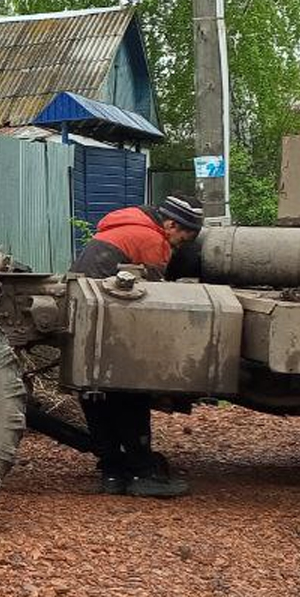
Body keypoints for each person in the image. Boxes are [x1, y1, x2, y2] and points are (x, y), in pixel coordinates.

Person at [69, 194, 205, 497]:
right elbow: (155, 299)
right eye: (184, 236)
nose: (181, 244)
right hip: (112, 321)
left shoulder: (122, 225)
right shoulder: (152, 239)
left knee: (95, 394)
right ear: (170, 224)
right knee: (131, 394)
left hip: (86, 316)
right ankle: (143, 472)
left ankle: (113, 472)